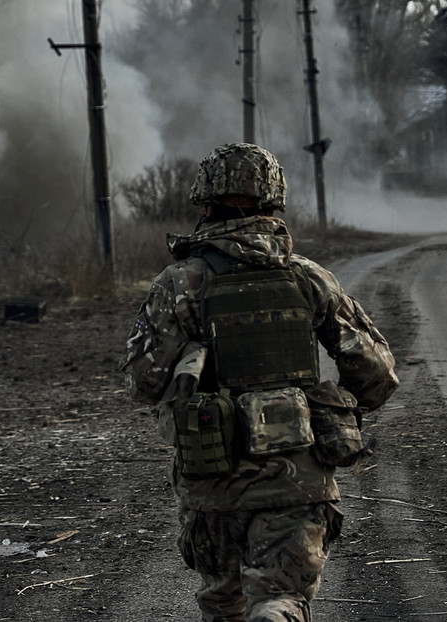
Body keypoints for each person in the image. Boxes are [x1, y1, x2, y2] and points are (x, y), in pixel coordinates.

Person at [119, 142, 399, 622]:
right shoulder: (309, 277)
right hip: (300, 476)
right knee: (280, 598)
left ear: (206, 203)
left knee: (224, 602)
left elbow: (145, 382)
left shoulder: (180, 282)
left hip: (213, 477)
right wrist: (335, 407)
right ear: (274, 202)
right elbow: (376, 372)